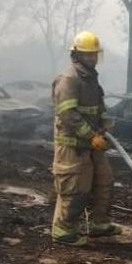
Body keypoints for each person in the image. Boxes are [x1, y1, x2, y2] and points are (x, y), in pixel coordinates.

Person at [51, 31, 122, 246]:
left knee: (104, 182)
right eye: (87, 54)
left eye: (94, 55)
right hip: (74, 147)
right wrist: (91, 135)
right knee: (76, 188)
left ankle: (98, 224)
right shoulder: (69, 79)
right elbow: (68, 115)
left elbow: (98, 109)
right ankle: (63, 230)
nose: (92, 58)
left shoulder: (91, 79)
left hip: (93, 144)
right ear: (76, 54)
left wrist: (105, 125)